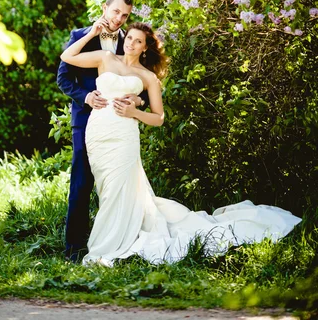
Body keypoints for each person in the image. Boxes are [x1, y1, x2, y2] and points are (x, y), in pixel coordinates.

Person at [60, 20, 302, 266]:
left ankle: (107, 244)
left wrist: (135, 113)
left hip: (124, 135)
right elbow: (67, 55)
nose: (131, 44)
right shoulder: (105, 58)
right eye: (129, 38)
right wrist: (92, 32)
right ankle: (115, 234)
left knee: (116, 189)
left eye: (138, 41)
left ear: (145, 48)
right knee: (105, 188)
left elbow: (159, 118)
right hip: (98, 131)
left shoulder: (148, 77)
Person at [57, 0, 148, 261]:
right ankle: (74, 250)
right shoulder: (79, 36)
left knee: (115, 185)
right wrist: (85, 96)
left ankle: (112, 243)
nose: (119, 19)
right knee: (82, 183)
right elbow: (63, 79)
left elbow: (141, 81)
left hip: (120, 126)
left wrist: (139, 99)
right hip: (86, 121)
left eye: (125, 15)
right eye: (115, 12)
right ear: (104, 8)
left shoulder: (129, 43)